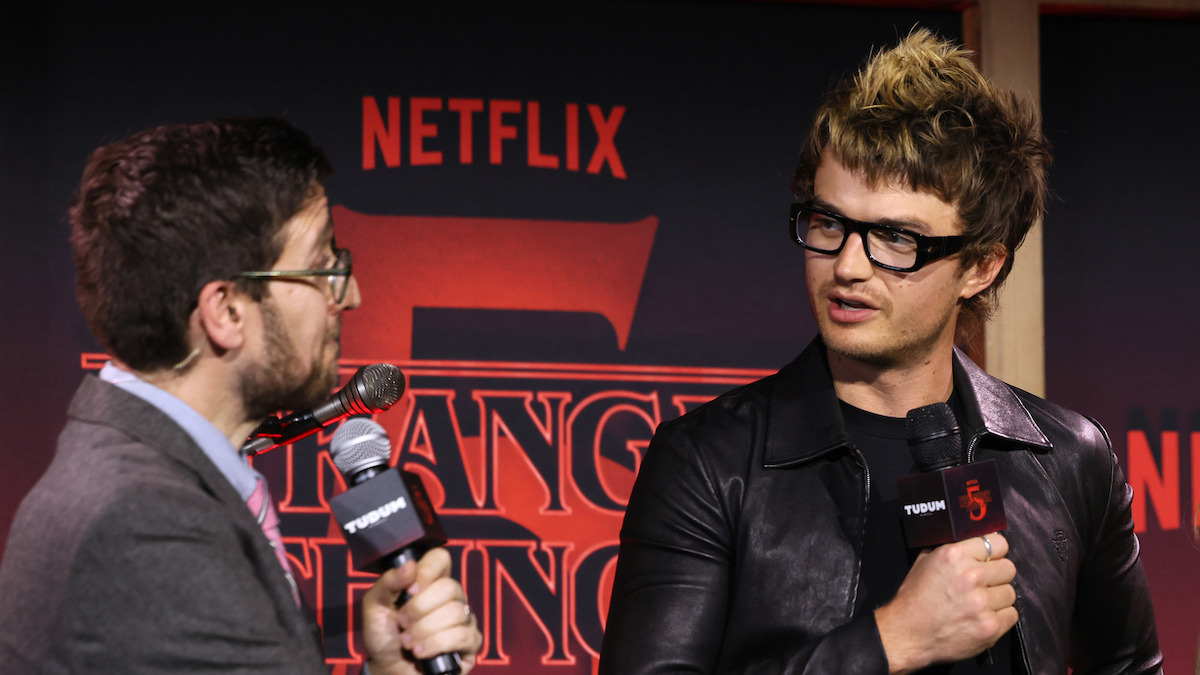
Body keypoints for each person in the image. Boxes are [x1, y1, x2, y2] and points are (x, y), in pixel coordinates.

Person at [599, 30, 1161, 674]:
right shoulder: (709, 462)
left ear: (980, 266)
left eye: (895, 237)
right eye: (830, 223)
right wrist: (893, 639)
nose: (847, 266)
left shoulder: (1069, 460)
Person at [0, 118, 482, 674]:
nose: (350, 294)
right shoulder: (149, 523)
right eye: (323, 266)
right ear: (226, 311)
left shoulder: (146, 476)